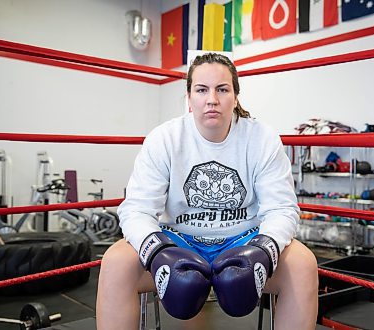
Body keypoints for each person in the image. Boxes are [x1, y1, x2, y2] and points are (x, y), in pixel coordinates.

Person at [96, 53, 318, 330]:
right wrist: (158, 252)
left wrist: (264, 249)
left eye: (222, 89)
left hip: (244, 239)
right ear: (189, 97)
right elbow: (136, 209)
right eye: (202, 89)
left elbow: (282, 209)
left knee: (303, 264)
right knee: (116, 263)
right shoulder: (165, 139)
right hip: (179, 240)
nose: (211, 99)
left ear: (235, 97)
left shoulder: (261, 138)